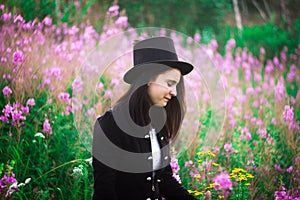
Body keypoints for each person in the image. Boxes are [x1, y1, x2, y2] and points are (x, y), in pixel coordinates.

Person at [92, 37, 210, 200]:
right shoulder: (110, 124)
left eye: (176, 85)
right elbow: (104, 192)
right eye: (169, 83)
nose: (174, 92)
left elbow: (164, 180)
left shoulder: (157, 124)